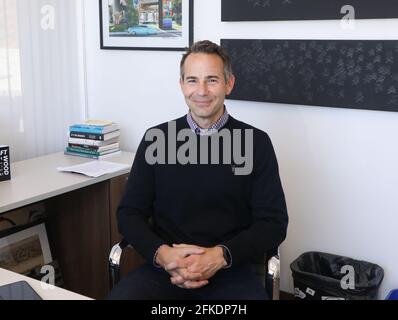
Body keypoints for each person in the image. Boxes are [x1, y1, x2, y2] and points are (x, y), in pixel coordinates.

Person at [108, 40, 288, 300]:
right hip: (166, 269)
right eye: (192, 80)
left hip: (230, 270)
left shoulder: (256, 143)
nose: (201, 91)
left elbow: (273, 223)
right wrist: (163, 254)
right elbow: (129, 213)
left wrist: (220, 256)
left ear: (229, 83)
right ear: (182, 85)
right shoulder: (156, 138)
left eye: (212, 80)